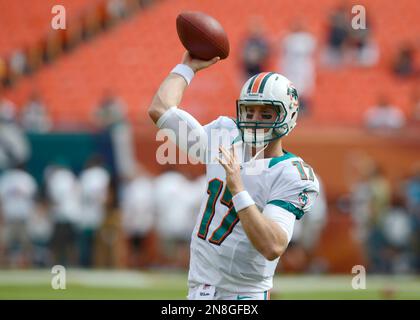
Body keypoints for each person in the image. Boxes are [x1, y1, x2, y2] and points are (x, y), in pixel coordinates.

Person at [148, 52, 319, 300]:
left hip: (241, 295)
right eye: (250, 111)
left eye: (266, 113)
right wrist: (187, 67)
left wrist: (238, 190)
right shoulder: (225, 134)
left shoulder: (291, 173)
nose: (255, 120)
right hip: (199, 289)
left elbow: (273, 246)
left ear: (287, 116)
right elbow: (161, 109)